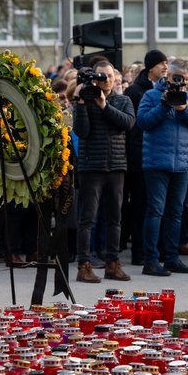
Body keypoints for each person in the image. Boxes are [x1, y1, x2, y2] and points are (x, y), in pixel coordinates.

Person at [137, 58, 188, 276]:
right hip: (156, 162)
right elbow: (143, 123)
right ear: (168, 75)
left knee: (176, 212)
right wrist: (164, 105)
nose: (182, 84)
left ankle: (172, 258)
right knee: (155, 211)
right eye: (178, 79)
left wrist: (184, 109)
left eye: (186, 80)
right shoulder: (151, 95)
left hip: (182, 163)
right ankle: (151, 260)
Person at [73, 60, 135, 283]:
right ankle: (84, 265)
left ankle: (112, 263)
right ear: (94, 78)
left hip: (116, 165)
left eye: (109, 76)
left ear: (115, 78)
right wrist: (81, 104)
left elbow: (127, 124)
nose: (106, 80)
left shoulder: (124, 100)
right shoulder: (85, 101)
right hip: (91, 167)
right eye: (101, 76)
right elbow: (82, 131)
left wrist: (104, 106)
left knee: (114, 218)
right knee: (87, 219)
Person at [123, 50, 168, 266]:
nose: (165, 68)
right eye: (162, 64)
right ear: (151, 68)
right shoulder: (134, 91)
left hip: (159, 156)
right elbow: (132, 129)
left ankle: (156, 249)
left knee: (157, 206)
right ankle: (139, 251)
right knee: (140, 205)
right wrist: (133, 158)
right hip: (139, 158)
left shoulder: (165, 89)